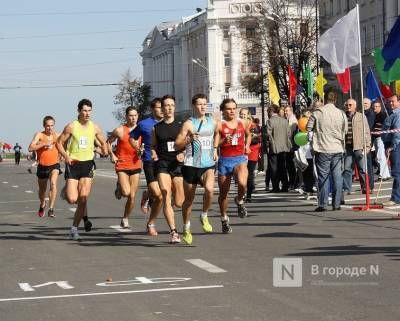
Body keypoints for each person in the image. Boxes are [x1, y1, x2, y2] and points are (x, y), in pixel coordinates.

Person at [56, 98, 108, 241]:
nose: (87, 113)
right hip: (73, 164)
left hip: (88, 165)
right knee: (73, 199)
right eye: (84, 110)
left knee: (83, 198)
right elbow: (59, 143)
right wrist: (65, 155)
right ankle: (67, 189)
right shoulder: (71, 126)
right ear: (79, 111)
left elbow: (104, 143)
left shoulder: (95, 127)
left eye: (89, 110)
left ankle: (74, 229)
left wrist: (103, 149)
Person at [175, 94, 218, 245]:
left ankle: (204, 215)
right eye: (199, 104)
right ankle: (186, 227)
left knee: (210, 190)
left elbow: (217, 134)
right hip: (191, 165)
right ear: (194, 106)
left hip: (207, 165)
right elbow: (177, 144)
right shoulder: (188, 124)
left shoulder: (212, 122)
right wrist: (188, 139)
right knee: (189, 200)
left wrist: (215, 149)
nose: (202, 107)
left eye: (204, 104)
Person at [151, 95, 185, 243]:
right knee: (166, 195)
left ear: (174, 107)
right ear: (162, 108)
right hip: (163, 165)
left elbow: (189, 145)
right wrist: (153, 153)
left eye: (172, 105)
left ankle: (169, 206)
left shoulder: (181, 125)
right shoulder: (156, 128)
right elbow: (152, 145)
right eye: (166, 105)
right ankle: (174, 232)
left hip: (178, 166)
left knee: (179, 202)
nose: (169, 108)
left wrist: (183, 153)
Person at [306, 91, 347, 211]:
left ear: (325, 100)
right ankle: (337, 203)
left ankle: (323, 204)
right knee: (337, 176)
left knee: (323, 177)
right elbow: (345, 130)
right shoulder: (341, 113)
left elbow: (308, 127)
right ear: (335, 100)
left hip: (323, 148)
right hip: (338, 148)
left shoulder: (318, 113)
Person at [215, 98, 251, 234]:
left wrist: (247, 145)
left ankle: (239, 200)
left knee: (242, 183)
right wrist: (224, 140)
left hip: (239, 159)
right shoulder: (219, 125)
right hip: (224, 161)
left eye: (234, 108)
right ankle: (224, 219)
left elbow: (248, 135)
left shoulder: (243, 122)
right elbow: (215, 144)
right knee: (223, 195)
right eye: (229, 108)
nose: (232, 111)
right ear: (223, 110)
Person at [129, 98, 164, 236]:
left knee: (166, 194)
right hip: (150, 161)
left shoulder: (169, 123)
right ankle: (151, 223)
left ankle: (146, 194)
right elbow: (132, 137)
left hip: (166, 162)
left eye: (164, 107)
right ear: (152, 109)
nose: (162, 109)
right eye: (159, 107)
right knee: (159, 195)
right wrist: (137, 148)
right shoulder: (144, 124)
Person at [108, 107, 142, 229]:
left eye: (135, 115)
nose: (133, 118)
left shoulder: (141, 130)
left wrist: (142, 151)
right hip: (122, 164)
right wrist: (112, 154)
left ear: (138, 116)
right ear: (126, 116)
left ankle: (125, 218)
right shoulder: (120, 130)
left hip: (136, 164)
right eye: (130, 116)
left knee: (132, 196)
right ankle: (120, 187)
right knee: (126, 192)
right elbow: (108, 142)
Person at [28, 116, 61, 218]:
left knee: (53, 183)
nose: (50, 128)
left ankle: (51, 209)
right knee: (42, 190)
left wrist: (65, 155)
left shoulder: (58, 135)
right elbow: (30, 148)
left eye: (52, 126)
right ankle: (42, 204)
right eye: (47, 126)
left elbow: (65, 144)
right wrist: (43, 144)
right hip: (42, 166)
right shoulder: (39, 135)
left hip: (54, 165)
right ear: (44, 126)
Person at [343, 99, 371, 194]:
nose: (348, 106)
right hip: (347, 147)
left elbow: (367, 131)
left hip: (359, 147)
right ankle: (347, 189)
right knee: (347, 169)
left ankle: (365, 188)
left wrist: (367, 145)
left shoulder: (361, 116)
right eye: (347, 105)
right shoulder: (343, 116)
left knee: (362, 169)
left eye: (350, 105)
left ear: (355, 106)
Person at [266, 104, 291, 193]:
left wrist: (268, 145)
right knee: (283, 167)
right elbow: (289, 134)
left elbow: (268, 135)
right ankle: (285, 186)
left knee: (274, 168)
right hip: (284, 146)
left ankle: (275, 187)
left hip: (274, 147)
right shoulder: (284, 121)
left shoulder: (270, 121)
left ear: (270, 111)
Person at [239, 108, 261, 202]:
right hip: (240, 152)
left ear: (248, 115)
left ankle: (249, 195)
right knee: (241, 174)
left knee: (250, 174)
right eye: (241, 114)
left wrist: (247, 140)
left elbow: (257, 139)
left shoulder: (253, 125)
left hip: (252, 152)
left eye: (244, 114)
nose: (243, 116)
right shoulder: (237, 125)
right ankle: (242, 194)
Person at [382, 95, 400, 206]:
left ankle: (395, 198)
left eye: (393, 101)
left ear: (399, 102)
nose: (390, 103)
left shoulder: (397, 115)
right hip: (394, 144)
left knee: (397, 172)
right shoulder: (392, 113)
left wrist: (391, 147)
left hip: (396, 145)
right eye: (389, 102)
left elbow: (397, 133)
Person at [373, 100, 391, 180]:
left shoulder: (383, 115)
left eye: (377, 106)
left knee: (380, 156)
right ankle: (386, 174)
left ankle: (382, 175)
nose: (375, 108)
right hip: (375, 138)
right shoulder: (374, 115)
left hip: (381, 137)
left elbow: (386, 126)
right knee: (379, 157)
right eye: (374, 106)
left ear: (380, 107)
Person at [284, 106, 298, 189]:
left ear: (291, 111)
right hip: (289, 145)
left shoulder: (292, 120)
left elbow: (289, 133)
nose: (285, 112)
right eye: (285, 111)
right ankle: (292, 182)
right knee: (290, 165)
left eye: (287, 111)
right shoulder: (288, 119)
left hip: (291, 146)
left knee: (291, 165)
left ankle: (292, 182)